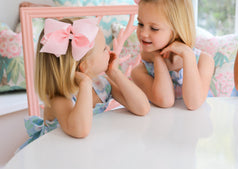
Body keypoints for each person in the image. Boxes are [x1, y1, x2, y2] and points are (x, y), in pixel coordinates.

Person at [21, 17, 150, 148]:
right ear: (85, 66)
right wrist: (85, 84)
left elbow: (142, 108)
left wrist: (115, 73)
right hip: (59, 155)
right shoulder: (59, 97)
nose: (108, 49)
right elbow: (79, 131)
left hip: (86, 149)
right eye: (103, 49)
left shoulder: (102, 85)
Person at [130, 0, 215, 111]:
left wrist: (188, 55)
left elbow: (193, 103)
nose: (143, 33)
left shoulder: (204, 61)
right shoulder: (140, 72)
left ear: (176, 29)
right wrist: (157, 58)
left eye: (154, 28)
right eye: (140, 24)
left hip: (194, 129)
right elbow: (165, 100)